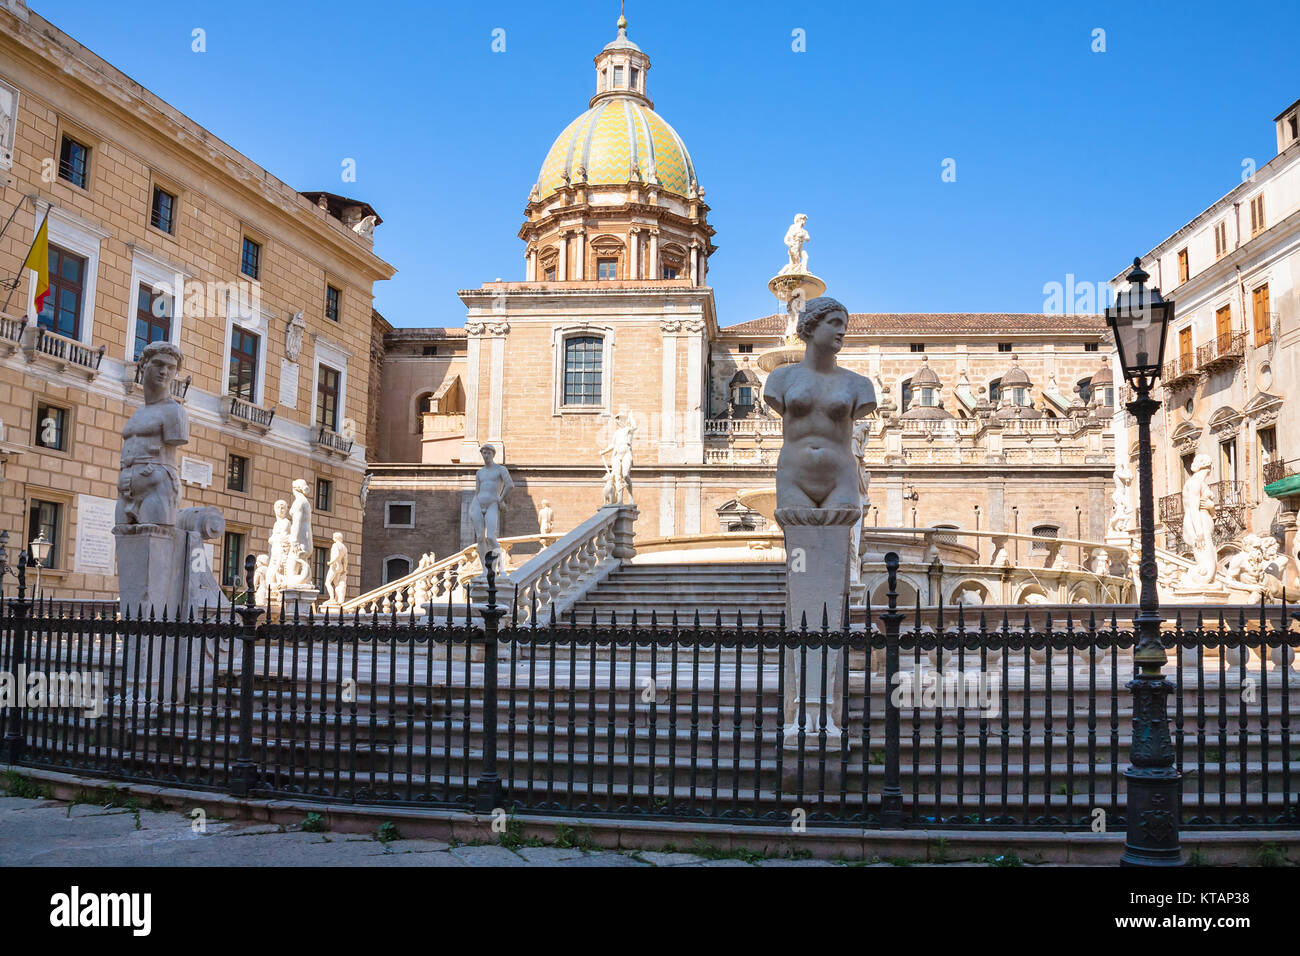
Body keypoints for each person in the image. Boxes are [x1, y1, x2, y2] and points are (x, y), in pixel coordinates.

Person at [763, 296, 877, 510]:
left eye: (844, 325)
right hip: (793, 475)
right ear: (810, 327)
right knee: (801, 540)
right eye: (834, 323)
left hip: (841, 477)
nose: (842, 331)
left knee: (837, 538)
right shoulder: (780, 379)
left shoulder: (859, 384)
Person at [116, 341, 188, 527]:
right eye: (158, 364)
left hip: (157, 487)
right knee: (123, 545)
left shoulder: (174, 412)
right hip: (125, 488)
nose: (164, 371)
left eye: (171, 367)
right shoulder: (138, 414)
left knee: (157, 546)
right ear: (143, 365)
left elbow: (176, 439)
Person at [470, 444, 514, 577]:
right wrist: (472, 507)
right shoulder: (480, 472)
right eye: (484, 453)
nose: (486, 455)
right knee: (479, 538)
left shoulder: (500, 469)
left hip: (492, 503)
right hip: (478, 503)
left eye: (488, 453)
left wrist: (500, 500)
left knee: (490, 536)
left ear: (493, 454)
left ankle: (501, 568)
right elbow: (477, 492)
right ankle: (485, 570)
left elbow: (510, 485)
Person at [324, 532, 349, 605]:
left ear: (336, 538)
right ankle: (337, 599)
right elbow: (345, 560)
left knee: (327, 582)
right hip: (340, 567)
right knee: (336, 584)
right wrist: (344, 569)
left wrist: (331, 562)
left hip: (334, 566)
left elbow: (337, 555)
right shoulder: (344, 547)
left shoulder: (335, 545)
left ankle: (332, 598)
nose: (332, 538)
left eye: (333, 537)